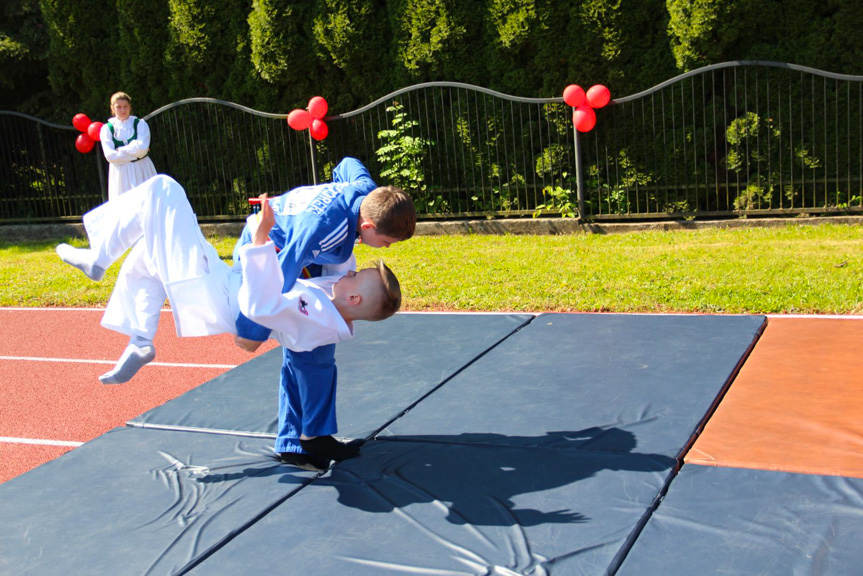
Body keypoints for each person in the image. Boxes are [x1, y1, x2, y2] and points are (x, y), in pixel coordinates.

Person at [54, 175, 401, 406]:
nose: (353, 268)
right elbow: (351, 187)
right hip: (225, 280)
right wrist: (361, 190)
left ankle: (98, 259)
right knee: (147, 253)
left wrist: (263, 234)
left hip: (224, 296)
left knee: (163, 188)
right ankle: (141, 339)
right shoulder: (335, 295)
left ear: (353, 297)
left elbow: (264, 300)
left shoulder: (319, 310)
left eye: (358, 275)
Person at [230, 157, 416, 470]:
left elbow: (347, 164)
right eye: (384, 242)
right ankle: (310, 436)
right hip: (268, 250)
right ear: (367, 225)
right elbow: (280, 275)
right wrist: (251, 332)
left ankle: (298, 440)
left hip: (303, 249)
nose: (383, 249)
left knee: (312, 343)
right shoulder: (321, 229)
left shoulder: (365, 190)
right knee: (314, 340)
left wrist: (331, 190)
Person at [99, 92, 157, 200]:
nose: (123, 110)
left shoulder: (140, 124)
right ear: (112, 108)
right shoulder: (107, 129)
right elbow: (110, 156)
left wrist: (120, 150)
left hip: (142, 169)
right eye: (119, 107)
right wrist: (135, 152)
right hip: (120, 174)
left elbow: (142, 149)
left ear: (130, 107)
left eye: (125, 106)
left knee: (148, 201)